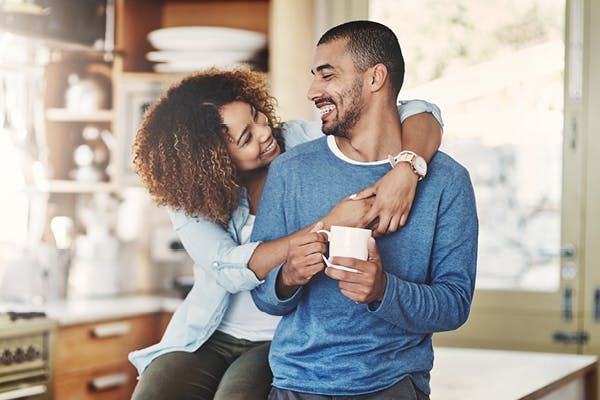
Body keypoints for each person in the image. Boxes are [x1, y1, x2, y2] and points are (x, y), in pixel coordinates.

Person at [128, 68, 443, 400]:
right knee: (154, 390)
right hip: (207, 333)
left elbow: (420, 111)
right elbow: (226, 268)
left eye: (257, 116)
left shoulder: (297, 141)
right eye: (246, 138)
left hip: (279, 336)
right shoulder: (188, 196)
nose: (265, 133)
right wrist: (329, 222)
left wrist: (408, 168)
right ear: (212, 161)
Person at [251, 20, 478, 400]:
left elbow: (454, 305)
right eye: (314, 77)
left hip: (392, 386)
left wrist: (382, 290)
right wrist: (288, 275)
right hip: (295, 385)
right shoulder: (290, 171)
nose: (312, 91)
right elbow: (263, 294)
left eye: (328, 76)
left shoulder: (447, 181)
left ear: (375, 78)